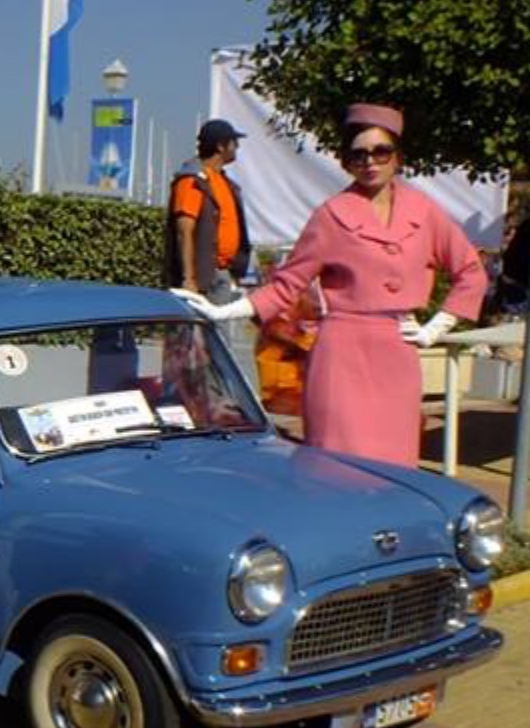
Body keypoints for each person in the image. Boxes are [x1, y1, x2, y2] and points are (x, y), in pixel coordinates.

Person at [177, 103, 487, 467]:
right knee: (337, 467)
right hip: (341, 358)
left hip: (398, 357)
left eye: (381, 151)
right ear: (346, 162)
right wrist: (223, 311)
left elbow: (471, 271)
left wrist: (437, 327)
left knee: (395, 470)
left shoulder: (425, 212)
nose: (370, 162)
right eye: (358, 155)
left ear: (398, 157)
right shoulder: (330, 216)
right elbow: (286, 285)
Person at [164, 118, 253, 302]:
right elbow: (184, 231)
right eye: (234, 142)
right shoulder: (192, 180)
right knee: (198, 321)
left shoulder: (224, 182)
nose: (237, 147)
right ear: (220, 146)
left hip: (223, 274)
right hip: (203, 279)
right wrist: (189, 279)